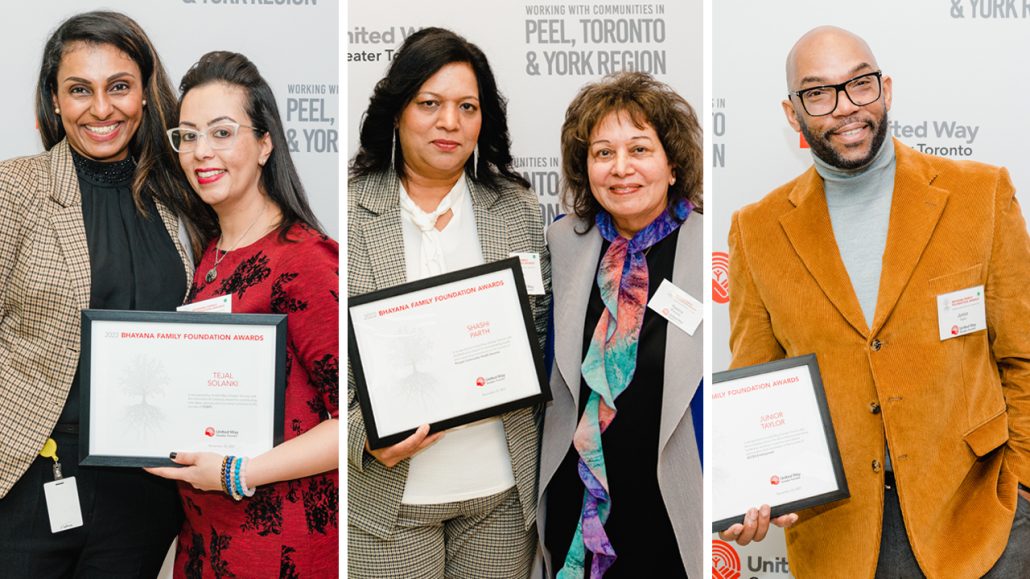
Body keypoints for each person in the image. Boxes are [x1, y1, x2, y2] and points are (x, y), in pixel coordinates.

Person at [723, 25, 1030, 578]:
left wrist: (1024, 490)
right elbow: (755, 382)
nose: (845, 108)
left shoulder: (981, 195)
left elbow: (1024, 358)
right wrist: (750, 489)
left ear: (885, 89)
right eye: (817, 93)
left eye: (859, 84)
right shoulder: (756, 230)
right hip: (837, 537)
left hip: (980, 519)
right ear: (793, 114)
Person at [0, 10, 207, 576]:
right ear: (54, 98)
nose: (100, 109)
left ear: (145, 93)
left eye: (119, 87)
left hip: (144, 494)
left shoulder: (185, 204)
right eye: (78, 90)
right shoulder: (14, 189)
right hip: (25, 481)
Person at [348, 27, 549, 579]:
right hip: (388, 504)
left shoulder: (519, 211)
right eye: (429, 104)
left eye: (467, 106)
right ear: (396, 111)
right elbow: (317, 359)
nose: (450, 123)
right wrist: (360, 437)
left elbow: (542, 334)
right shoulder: (345, 213)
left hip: (502, 500)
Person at [144, 51, 339, 577]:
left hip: (284, 547)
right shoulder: (207, 256)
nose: (200, 152)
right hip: (206, 543)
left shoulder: (305, 257)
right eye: (186, 136)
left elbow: (355, 420)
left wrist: (237, 472)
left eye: (222, 133)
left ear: (265, 143)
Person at [537, 71, 703, 578]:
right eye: (603, 153)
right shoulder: (563, 244)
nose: (621, 168)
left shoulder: (716, 249)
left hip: (667, 505)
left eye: (640, 149)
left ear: (672, 164)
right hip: (573, 503)